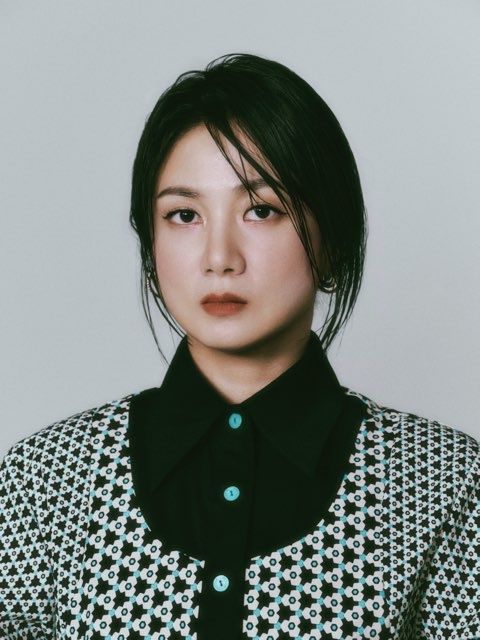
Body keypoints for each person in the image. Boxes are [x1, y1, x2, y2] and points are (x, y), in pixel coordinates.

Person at [0, 52, 478, 640]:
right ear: (150, 243)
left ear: (332, 237)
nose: (219, 258)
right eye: (183, 215)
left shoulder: (441, 481)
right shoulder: (44, 481)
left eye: (261, 210)